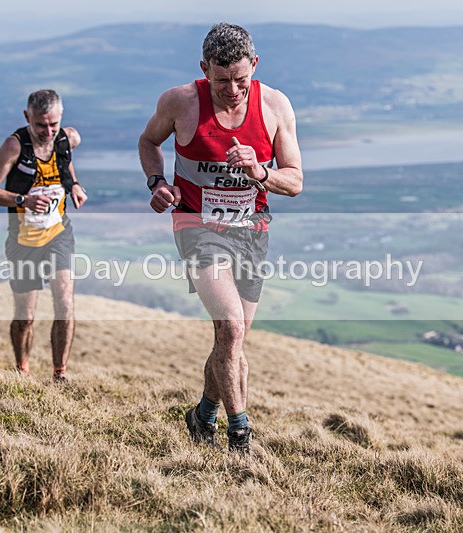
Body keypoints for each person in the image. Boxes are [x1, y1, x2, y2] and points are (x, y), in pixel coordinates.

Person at [138, 23, 303, 452]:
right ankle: (239, 435)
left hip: (252, 231)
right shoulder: (180, 102)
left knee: (233, 339)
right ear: (204, 69)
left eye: (240, 80)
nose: (232, 91)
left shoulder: (275, 106)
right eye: (221, 81)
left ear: (255, 65)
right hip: (197, 225)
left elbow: (295, 181)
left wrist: (260, 171)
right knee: (230, 328)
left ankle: (203, 414)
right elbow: (149, 141)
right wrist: (157, 181)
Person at [0, 89, 87, 382]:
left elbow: (65, 160)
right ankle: (21, 369)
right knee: (25, 316)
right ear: (27, 117)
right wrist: (22, 200)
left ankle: (59, 375)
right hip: (23, 241)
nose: (48, 132)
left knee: (64, 304)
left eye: (53, 124)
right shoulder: (14, 146)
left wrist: (74, 185)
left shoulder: (65, 138)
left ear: (61, 116)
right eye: (40, 125)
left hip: (58, 234)